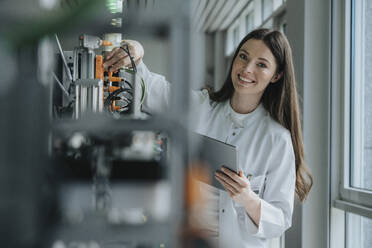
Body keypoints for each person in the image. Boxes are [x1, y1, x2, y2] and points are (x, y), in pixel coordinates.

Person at [103, 28, 313, 248]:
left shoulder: (277, 139)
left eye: (261, 64)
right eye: (243, 56)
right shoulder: (201, 106)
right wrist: (136, 50)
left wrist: (246, 198)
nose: (247, 69)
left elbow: (280, 219)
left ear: (276, 75)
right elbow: (151, 90)